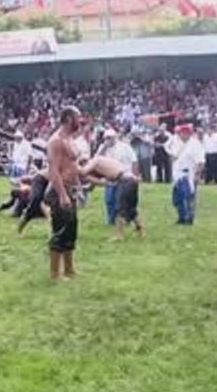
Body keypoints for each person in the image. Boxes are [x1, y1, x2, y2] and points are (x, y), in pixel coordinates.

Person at [45, 107, 83, 281]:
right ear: (68, 119)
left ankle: (69, 268)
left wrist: (79, 188)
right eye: (78, 117)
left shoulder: (70, 139)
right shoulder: (56, 141)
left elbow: (72, 166)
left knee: (71, 230)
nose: (80, 121)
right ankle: (55, 273)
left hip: (72, 189)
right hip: (61, 190)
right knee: (60, 231)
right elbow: (53, 170)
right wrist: (62, 194)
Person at [80, 155, 143, 240]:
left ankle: (119, 235)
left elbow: (83, 172)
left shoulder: (95, 160)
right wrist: (86, 185)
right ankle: (141, 232)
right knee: (131, 209)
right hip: (131, 179)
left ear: (85, 163)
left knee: (119, 208)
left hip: (124, 180)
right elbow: (96, 185)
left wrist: (73, 166)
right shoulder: (101, 165)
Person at [99, 130, 138, 227]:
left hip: (124, 177)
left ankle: (125, 220)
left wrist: (135, 175)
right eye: (106, 138)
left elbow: (134, 161)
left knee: (121, 201)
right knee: (109, 200)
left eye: (110, 138)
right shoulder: (103, 148)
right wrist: (103, 148)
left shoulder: (124, 147)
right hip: (110, 178)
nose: (108, 140)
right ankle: (111, 220)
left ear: (115, 137)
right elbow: (96, 159)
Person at [171, 124, 205, 225]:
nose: (181, 135)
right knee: (177, 197)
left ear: (188, 133)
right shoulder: (177, 143)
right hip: (177, 173)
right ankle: (181, 216)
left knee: (188, 196)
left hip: (188, 173)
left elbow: (201, 162)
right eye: (180, 133)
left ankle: (189, 217)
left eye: (183, 133)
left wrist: (197, 175)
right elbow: (173, 157)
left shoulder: (195, 145)